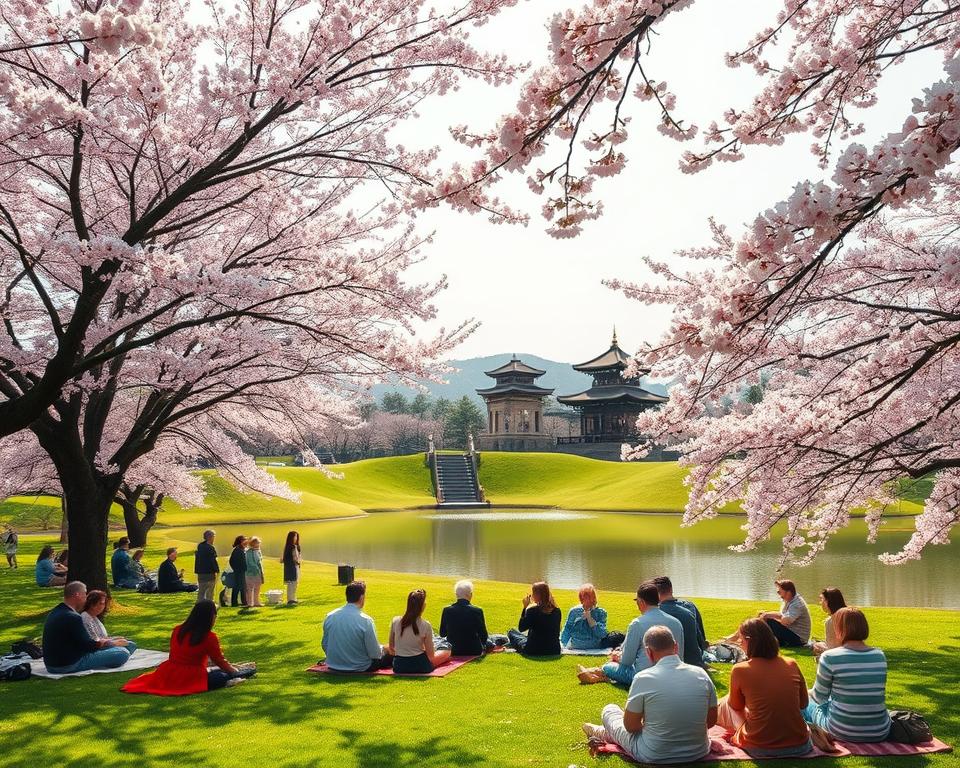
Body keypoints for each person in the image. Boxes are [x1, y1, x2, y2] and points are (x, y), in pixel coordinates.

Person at [582, 626, 718, 764]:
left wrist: (654, 727)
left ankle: (602, 732)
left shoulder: (644, 678)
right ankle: (605, 732)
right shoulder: (701, 674)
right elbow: (711, 721)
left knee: (610, 710)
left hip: (653, 754)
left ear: (648, 652)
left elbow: (630, 726)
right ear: (676, 646)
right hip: (697, 751)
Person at [716, 618, 813, 757]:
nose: (740, 645)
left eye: (741, 640)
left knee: (725, 703)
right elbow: (803, 703)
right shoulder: (791, 664)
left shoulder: (740, 670)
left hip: (758, 746)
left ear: (749, 641)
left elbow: (736, 706)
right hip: (800, 745)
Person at [122, 601, 256, 695]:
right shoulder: (208, 637)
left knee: (222, 671)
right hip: (193, 675)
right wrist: (234, 671)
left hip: (169, 671)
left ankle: (235, 672)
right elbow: (219, 661)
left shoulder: (178, 630)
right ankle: (235, 676)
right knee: (230, 674)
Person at [803, 607, 891, 742]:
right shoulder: (879, 656)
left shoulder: (830, 657)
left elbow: (819, 697)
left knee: (805, 703)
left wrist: (805, 692)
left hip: (842, 730)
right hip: (880, 730)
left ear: (839, 629)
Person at [577, 581, 685, 685]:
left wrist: (616, 657)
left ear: (642, 602)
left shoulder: (638, 623)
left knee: (608, 666)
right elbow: (680, 656)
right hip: (673, 675)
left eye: (637, 601)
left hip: (643, 676)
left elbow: (626, 661)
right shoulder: (676, 623)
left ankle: (596, 674)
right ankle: (594, 673)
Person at [42, 581, 135, 674]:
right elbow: (89, 646)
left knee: (128, 645)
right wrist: (111, 643)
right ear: (77, 595)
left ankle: (110, 658)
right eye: (85, 594)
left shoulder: (56, 612)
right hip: (69, 664)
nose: (86, 598)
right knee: (122, 653)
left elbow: (81, 642)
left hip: (53, 665)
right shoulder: (73, 617)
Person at [321, 580, 392, 672]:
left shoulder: (330, 616)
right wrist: (385, 648)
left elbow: (325, 644)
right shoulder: (365, 620)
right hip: (361, 666)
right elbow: (375, 654)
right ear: (362, 597)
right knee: (392, 651)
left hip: (334, 664)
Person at [389, 589, 452, 673]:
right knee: (446, 651)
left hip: (399, 666)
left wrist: (404, 653)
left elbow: (391, 648)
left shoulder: (395, 621)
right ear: (423, 605)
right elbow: (431, 656)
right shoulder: (425, 625)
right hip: (420, 666)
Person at [652, 575, 708, 662]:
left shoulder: (655, 612)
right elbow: (701, 639)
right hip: (694, 659)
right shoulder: (690, 606)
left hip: (668, 659)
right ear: (671, 590)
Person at [507, 581, 562, 656]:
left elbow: (521, 628)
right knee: (522, 636)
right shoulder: (557, 611)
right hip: (554, 650)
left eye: (533, 593)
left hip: (533, 650)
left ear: (538, 595)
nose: (532, 595)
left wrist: (525, 607)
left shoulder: (532, 611)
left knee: (511, 632)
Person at [80, 589, 139, 656]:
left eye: (104, 604)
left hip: (103, 645)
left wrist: (115, 638)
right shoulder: (85, 617)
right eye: (101, 603)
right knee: (126, 648)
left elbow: (103, 637)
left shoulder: (94, 617)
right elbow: (95, 641)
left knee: (130, 643)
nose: (103, 606)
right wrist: (115, 643)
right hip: (95, 650)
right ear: (92, 604)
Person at [439, 579, 490, 656]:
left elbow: (442, 634)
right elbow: (484, 636)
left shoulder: (447, 610)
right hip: (474, 650)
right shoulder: (477, 611)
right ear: (470, 595)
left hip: (453, 650)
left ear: (456, 595)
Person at [561, 584, 613, 650]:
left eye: (589, 598)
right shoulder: (574, 611)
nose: (587, 600)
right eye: (585, 598)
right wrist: (563, 644)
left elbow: (602, 634)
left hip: (592, 644)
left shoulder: (600, 612)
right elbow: (567, 628)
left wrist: (589, 618)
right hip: (579, 644)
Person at [761, 579, 812, 647]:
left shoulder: (797, 604)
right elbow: (782, 615)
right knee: (763, 615)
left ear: (788, 592)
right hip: (791, 632)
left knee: (770, 621)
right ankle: (771, 641)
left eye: (780, 592)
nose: (779, 594)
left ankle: (764, 640)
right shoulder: (788, 599)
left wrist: (768, 615)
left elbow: (786, 621)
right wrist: (766, 614)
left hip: (799, 639)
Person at [812, 587, 846, 657]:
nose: (820, 603)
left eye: (822, 600)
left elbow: (832, 649)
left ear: (827, 602)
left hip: (839, 654)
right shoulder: (848, 615)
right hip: (852, 650)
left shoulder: (831, 621)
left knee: (817, 646)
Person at [194, 529, 219, 603]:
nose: (214, 538)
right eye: (213, 536)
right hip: (209, 573)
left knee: (201, 591)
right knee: (210, 592)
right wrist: (217, 570)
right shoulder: (210, 548)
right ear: (210, 537)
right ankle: (210, 606)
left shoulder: (200, 546)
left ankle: (199, 605)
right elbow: (213, 561)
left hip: (200, 573)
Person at [282, 530, 301, 605]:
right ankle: (290, 599)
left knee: (295, 583)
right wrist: (296, 562)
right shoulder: (290, 547)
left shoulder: (295, 546)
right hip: (291, 567)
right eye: (294, 536)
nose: (296, 538)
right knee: (291, 583)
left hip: (295, 566)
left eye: (296, 536)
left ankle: (293, 598)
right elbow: (293, 558)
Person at [245, 536, 265, 607]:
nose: (259, 544)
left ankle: (256, 602)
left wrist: (261, 572)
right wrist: (257, 569)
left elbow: (260, 561)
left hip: (258, 573)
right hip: (250, 573)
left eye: (259, 543)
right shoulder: (248, 552)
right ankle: (249, 603)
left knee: (257, 588)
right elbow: (251, 563)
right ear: (253, 544)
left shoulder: (258, 551)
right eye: (257, 543)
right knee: (249, 588)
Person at [228, 535, 248, 607]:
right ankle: (235, 602)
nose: (246, 542)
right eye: (244, 540)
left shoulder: (242, 549)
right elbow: (231, 561)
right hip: (239, 571)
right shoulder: (237, 550)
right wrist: (236, 569)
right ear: (240, 542)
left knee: (242, 587)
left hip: (241, 571)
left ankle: (243, 601)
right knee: (238, 586)